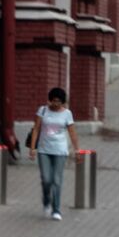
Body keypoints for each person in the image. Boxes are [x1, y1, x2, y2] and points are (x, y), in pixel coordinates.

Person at [31, 87, 79, 220]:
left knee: (56, 180)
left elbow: (72, 132)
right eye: (53, 101)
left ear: (63, 102)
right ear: (49, 100)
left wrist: (76, 149)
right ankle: (46, 200)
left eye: (58, 101)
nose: (55, 104)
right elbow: (36, 129)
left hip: (60, 151)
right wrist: (32, 148)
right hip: (44, 150)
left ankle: (56, 209)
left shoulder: (67, 114)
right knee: (46, 179)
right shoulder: (43, 111)